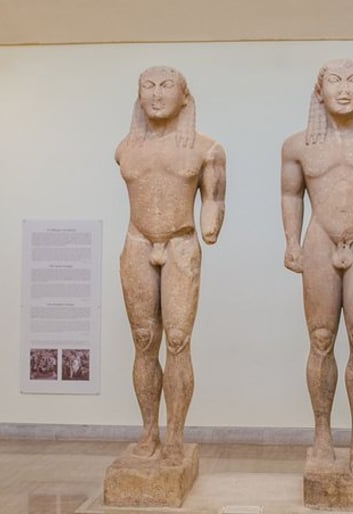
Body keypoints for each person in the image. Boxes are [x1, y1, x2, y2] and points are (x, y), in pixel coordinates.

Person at [281, 58, 353, 475]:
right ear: (320, 91)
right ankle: (322, 436)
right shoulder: (298, 146)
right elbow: (291, 195)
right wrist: (291, 241)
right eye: (334, 81)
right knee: (320, 339)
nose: (344, 89)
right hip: (319, 240)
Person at [115, 66, 226, 465]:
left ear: (184, 97)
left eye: (166, 87)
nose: (157, 94)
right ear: (139, 95)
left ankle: (175, 432)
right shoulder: (125, 148)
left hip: (180, 243)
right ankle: (149, 430)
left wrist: (212, 221)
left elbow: (214, 198)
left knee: (177, 340)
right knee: (144, 340)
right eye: (148, 86)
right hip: (137, 242)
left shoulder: (206, 149)